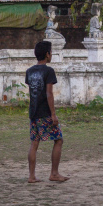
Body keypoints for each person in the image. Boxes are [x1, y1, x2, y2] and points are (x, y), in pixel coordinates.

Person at [25, 40, 69, 183]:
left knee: (34, 143)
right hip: (45, 113)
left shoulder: (29, 71)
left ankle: (31, 176)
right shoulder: (49, 71)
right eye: (50, 52)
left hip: (34, 112)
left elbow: (33, 92)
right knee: (58, 140)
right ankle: (54, 173)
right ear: (47, 55)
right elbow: (49, 94)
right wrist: (53, 114)